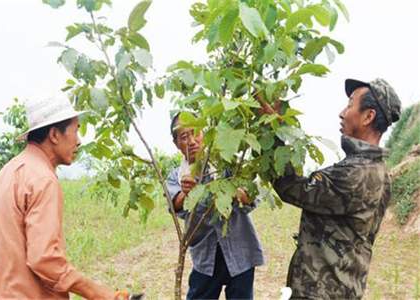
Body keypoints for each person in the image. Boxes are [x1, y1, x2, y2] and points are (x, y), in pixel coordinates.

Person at [0, 96, 126, 299]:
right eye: (75, 130)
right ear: (54, 135)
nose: (78, 141)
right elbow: (44, 259)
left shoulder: (8, 171)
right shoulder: (43, 179)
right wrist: (100, 294)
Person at [272, 78, 401, 299]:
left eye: (350, 105)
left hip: (321, 292)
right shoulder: (378, 171)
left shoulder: (353, 174)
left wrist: (272, 130)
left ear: (368, 117)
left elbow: (291, 186)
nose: (342, 113)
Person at [166, 112, 264, 300]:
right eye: (184, 136)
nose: (192, 141)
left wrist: (229, 191)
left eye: (196, 133)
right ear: (177, 143)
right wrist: (187, 192)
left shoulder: (228, 165)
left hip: (239, 251)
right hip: (205, 257)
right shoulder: (177, 176)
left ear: (206, 133)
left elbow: (251, 196)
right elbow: (174, 204)